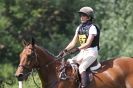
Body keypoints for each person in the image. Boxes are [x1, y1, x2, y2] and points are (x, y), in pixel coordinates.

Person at [58, 6, 100, 88]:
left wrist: (77, 49)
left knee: (82, 68)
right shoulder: (79, 28)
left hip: (91, 52)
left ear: (88, 17)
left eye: (83, 15)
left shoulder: (92, 28)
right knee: (69, 61)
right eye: (81, 15)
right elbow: (73, 42)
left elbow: (88, 44)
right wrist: (65, 50)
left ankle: (84, 86)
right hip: (83, 52)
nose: (81, 17)